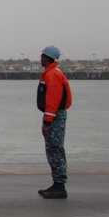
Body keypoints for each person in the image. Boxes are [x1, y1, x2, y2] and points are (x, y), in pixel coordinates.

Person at [37, 45, 73, 199]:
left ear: (47, 57)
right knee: (54, 149)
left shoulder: (52, 76)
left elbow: (52, 101)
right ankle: (57, 184)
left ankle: (59, 186)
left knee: (54, 149)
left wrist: (47, 123)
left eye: (42, 56)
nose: (40, 58)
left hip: (54, 117)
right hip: (55, 116)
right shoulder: (51, 73)